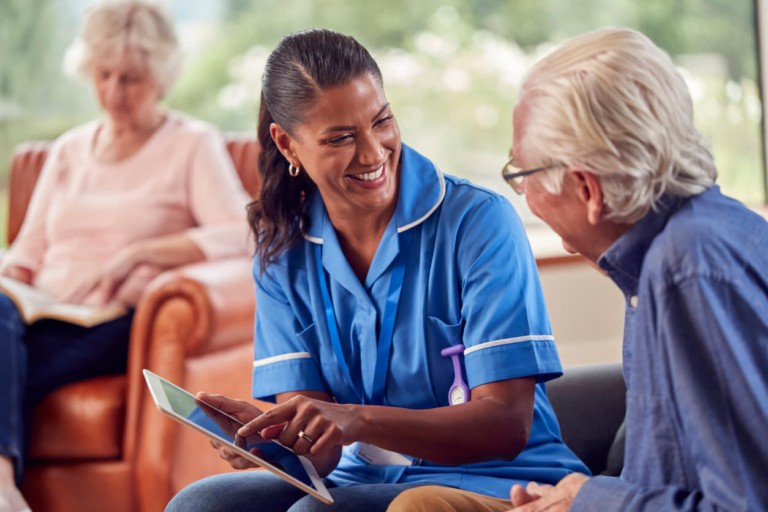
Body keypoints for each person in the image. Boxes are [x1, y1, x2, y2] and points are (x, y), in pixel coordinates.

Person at [165, 28, 587, 512]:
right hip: (361, 478)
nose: (373, 153)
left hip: (500, 478)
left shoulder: (479, 223)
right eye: (341, 138)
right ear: (287, 145)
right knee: (201, 504)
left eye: (381, 121)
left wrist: (356, 418)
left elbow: (506, 427)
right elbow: (319, 456)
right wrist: (270, 437)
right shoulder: (282, 250)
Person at [389, 26, 768, 512]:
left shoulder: (687, 269)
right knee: (424, 505)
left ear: (587, 190)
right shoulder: (684, 245)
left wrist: (592, 500)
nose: (520, 194)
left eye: (521, 174)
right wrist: (579, 497)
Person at [0, 1, 251, 510]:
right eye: (104, 75)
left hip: (116, 323)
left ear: (160, 78)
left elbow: (243, 233)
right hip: (38, 316)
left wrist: (145, 253)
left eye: (131, 79)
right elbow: (25, 253)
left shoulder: (190, 145)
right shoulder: (68, 150)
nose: (114, 93)